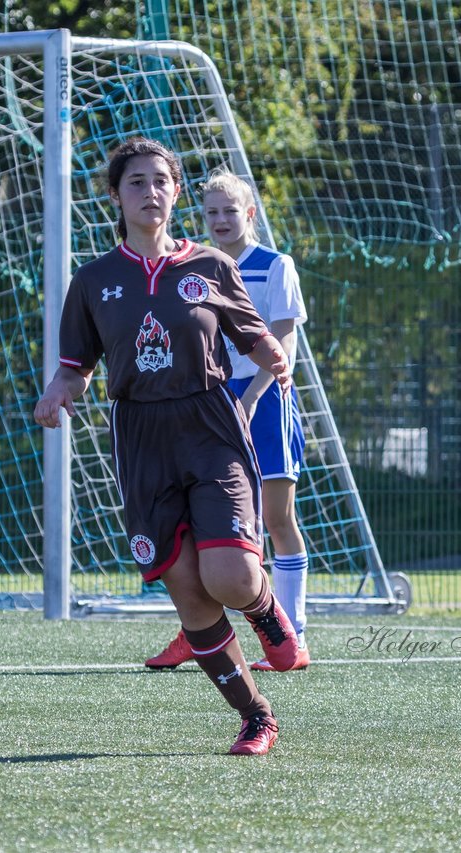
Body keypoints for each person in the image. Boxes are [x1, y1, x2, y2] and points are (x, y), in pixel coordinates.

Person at [34, 138, 300, 756]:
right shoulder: (95, 281)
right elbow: (76, 365)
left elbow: (252, 333)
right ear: (114, 196)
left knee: (230, 576)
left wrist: (271, 356)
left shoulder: (209, 266)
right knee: (186, 587)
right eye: (135, 182)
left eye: (160, 181)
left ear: (177, 192)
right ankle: (256, 716)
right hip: (141, 437)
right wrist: (57, 390)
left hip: (210, 424)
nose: (149, 192)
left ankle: (263, 610)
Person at [146, 169, 313, 672]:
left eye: (229, 210)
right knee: (206, 523)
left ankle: (294, 634)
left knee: (275, 518)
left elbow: (283, 339)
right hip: (207, 401)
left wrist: (258, 392)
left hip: (263, 399)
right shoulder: (196, 264)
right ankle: (196, 628)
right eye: (211, 211)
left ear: (250, 214)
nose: (220, 219)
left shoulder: (275, 266)